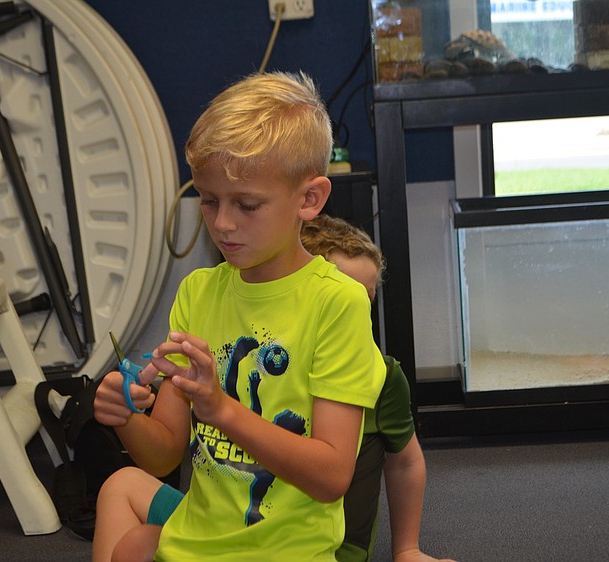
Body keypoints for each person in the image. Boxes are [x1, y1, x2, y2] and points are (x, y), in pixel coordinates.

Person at [91, 71, 386, 562]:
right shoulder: (197, 292)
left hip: (285, 553)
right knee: (131, 546)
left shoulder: (337, 303)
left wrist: (223, 410)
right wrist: (124, 416)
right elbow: (165, 451)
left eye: (246, 205)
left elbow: (331, 477)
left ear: (309, 199)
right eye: (208, 200)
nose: (222, 222)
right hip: (197, 542)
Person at [301, 214, 455, 562]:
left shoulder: (383, 376)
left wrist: (407, 549)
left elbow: (405, 463)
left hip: (336, 550)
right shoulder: (267, 363)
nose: (356, 313)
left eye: (366, 301)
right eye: (343, 300)